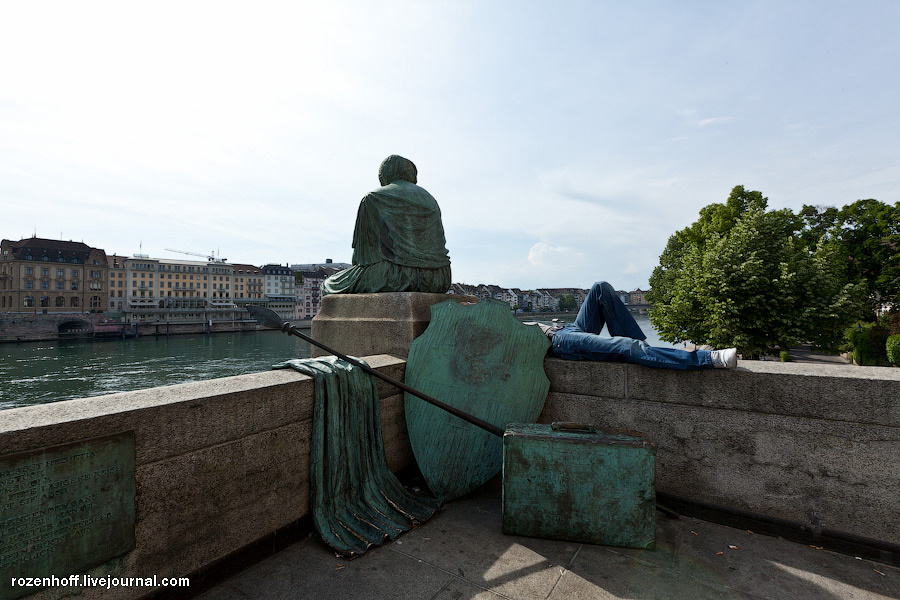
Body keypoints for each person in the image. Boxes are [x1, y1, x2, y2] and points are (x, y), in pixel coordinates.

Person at [531, 281, 737, 370]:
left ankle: (642, 349)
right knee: (623, 346)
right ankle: (709, 359)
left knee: (600, 287)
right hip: (559, 341)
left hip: (566, 329)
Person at [322, 155, 451, 295]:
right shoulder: (430, 199)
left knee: (328, 285)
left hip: (392, 277)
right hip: (438, 278)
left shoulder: (373, 198)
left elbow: (361, 258)